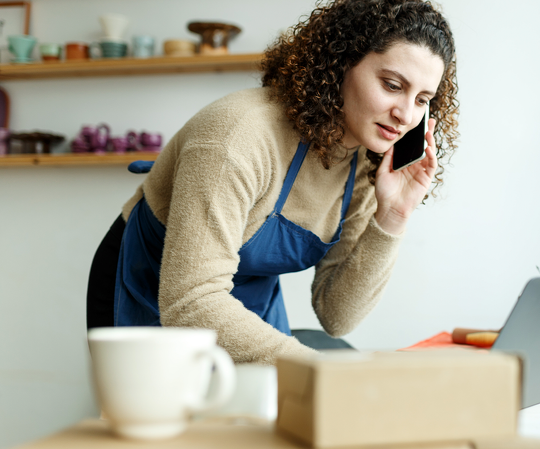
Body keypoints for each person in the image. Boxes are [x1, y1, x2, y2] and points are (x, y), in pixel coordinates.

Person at [85, 0, 459, 365]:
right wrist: (320, 370)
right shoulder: (237, 137)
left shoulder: (364, 164)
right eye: (392, 85)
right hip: (152, 286)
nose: (407, 114)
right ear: (341, 63)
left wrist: (392, 216)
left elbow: (337, 316)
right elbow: (190, 301)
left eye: (423, 99)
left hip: (247, 302)